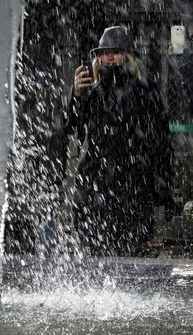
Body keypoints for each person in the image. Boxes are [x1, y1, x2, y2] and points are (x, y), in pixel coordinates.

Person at [66, 25, 173, 256]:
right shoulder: (91, 92)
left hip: (133, 181)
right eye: (105, 52)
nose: (110, 56)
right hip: (96, 180)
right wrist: (75, 95)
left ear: (127, 55)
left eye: (115, 51)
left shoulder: (145, 91)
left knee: (131, 252)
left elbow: (161, 139)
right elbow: (71, 126)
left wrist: (162, 182)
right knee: (95, 250)